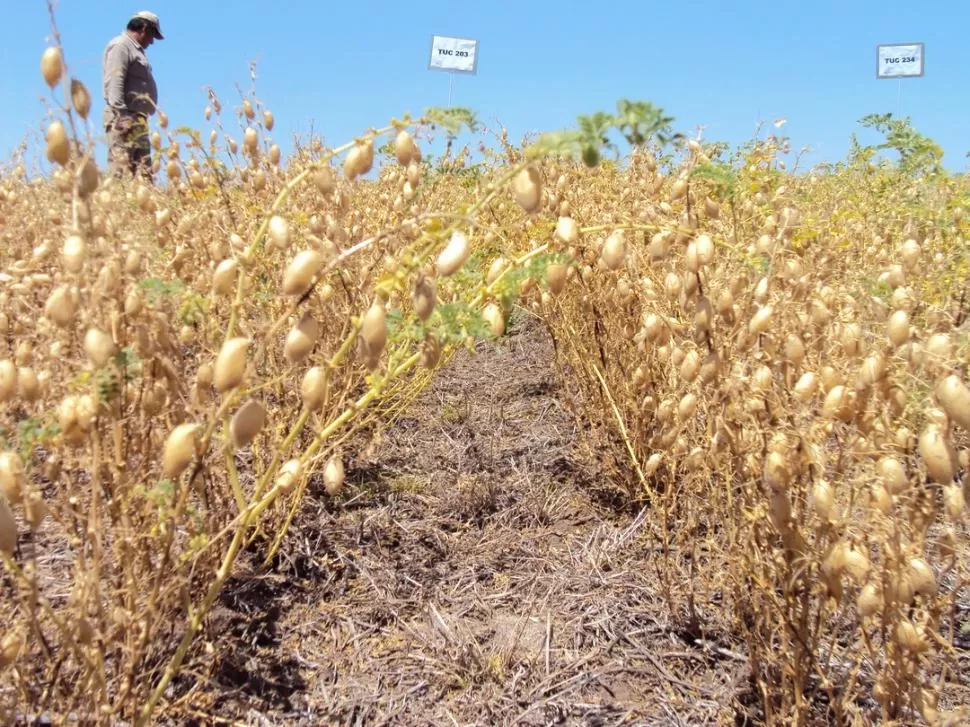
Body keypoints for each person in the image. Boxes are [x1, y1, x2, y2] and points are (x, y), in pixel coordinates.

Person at [101, 11, 164, 181]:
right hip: (124, 118)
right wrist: (121, 114)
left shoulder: (136, 50)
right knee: (120, 173)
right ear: (143, 28)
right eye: (152, 35)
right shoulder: (121, 46)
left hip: (138, 120)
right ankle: (116, 208)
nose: (152, 41)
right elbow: (115, 79)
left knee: (144, 175)